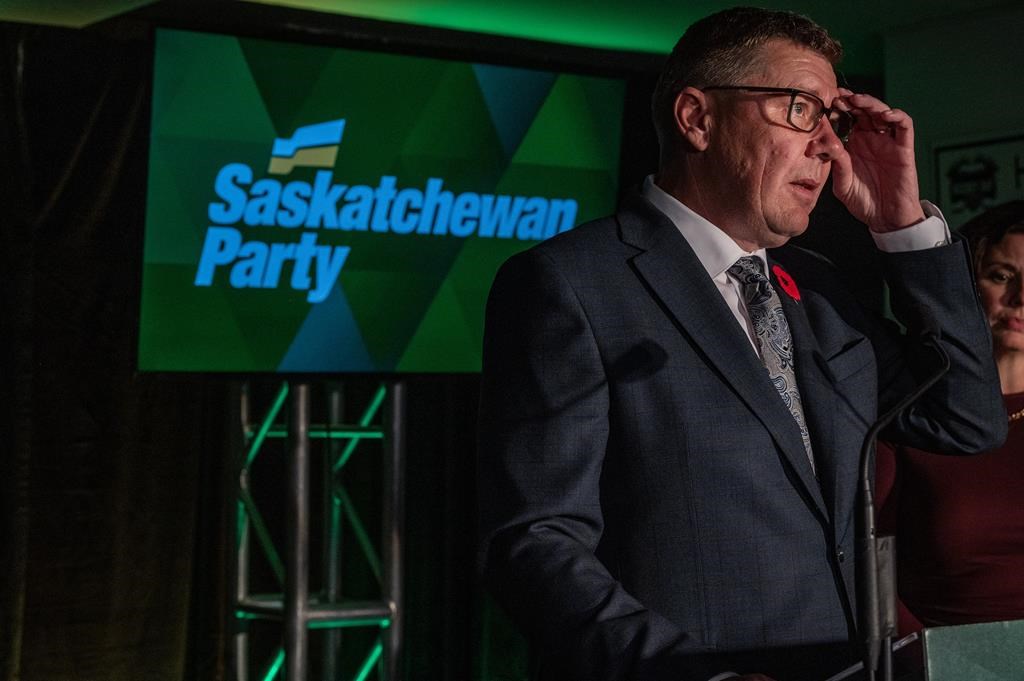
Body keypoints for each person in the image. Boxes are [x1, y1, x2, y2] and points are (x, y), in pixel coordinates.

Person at [476, 7, 1006, 681]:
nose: (828, 146)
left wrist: (904, 227)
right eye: (800, 110)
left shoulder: (817, 289)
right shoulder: (571, 283)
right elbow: (534, 539)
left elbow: (966, 418)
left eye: (833, 121)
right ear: (697, 117)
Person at [876, 201, 1024, 641]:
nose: (1021, 297)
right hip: (942, 661)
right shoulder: (914, 413)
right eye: (1001, 276)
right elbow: (873, 575)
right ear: (965, 283)